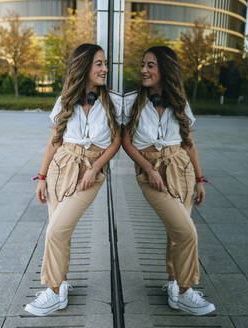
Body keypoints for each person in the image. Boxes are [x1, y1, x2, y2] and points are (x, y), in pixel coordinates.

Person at [24, 43, 122, 316]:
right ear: (84, 67)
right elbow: (54, 141)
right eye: (99, 64)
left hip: (90, 168)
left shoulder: (113, 101)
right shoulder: (65, 99)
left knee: (56, 230)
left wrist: (95, 168)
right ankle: (60, 287)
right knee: (60, 231)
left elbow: (116, 142)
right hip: (61, 166)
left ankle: (52, 291)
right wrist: (42, 177)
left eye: (105, 63)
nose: (104, 69)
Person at [121, 46, 215, 316]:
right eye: (143, 64)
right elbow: (126, 142)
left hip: (181, 168)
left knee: (178, 232)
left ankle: (174, 285)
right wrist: (148, 169)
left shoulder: (180, 103)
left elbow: (189, 143)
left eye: (150, 65)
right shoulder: (132, 101)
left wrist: (199, 179)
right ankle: (187, 291)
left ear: (165, 69)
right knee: (186, 231)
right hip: (152, 171)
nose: (144, 70)